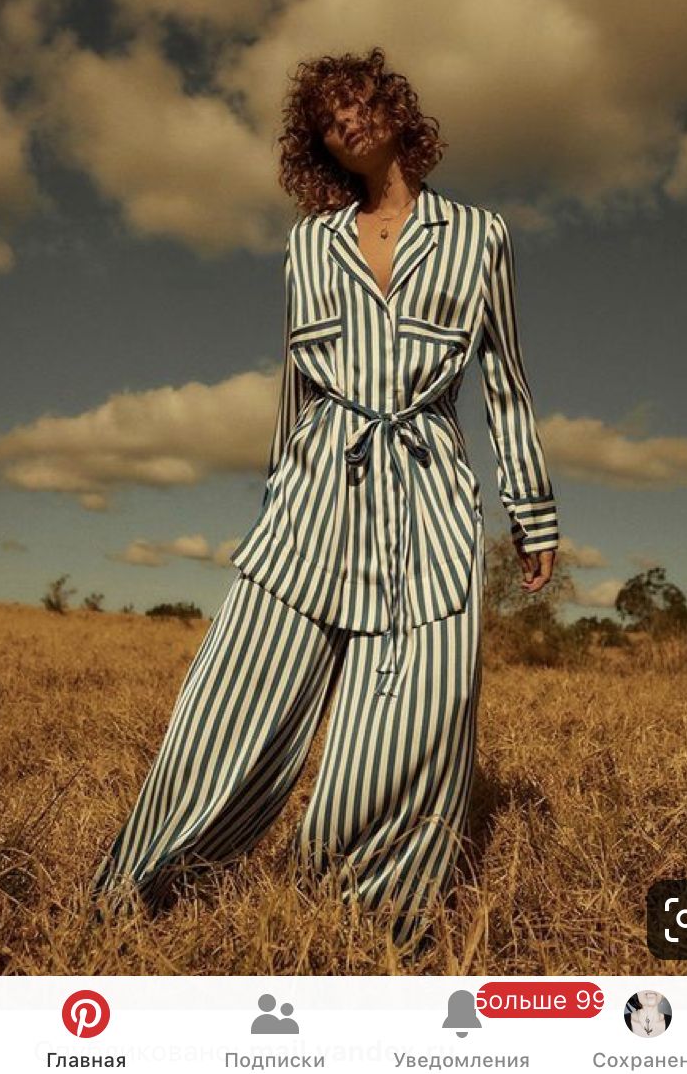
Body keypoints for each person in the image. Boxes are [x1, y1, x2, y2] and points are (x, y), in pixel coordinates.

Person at [90, 46, 559, 948]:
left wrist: (531, 514)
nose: (345, 118)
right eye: (326, 117)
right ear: (322, 148)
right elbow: (293, 390)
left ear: (393, 109)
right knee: (229, 700)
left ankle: (359, 914)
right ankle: (141, 888)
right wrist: (275, 499)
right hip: (312, 493)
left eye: (357, 99)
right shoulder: (308, 244)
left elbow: (505, 383)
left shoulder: (481, 235)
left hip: (426, 498)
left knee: (416, 713)